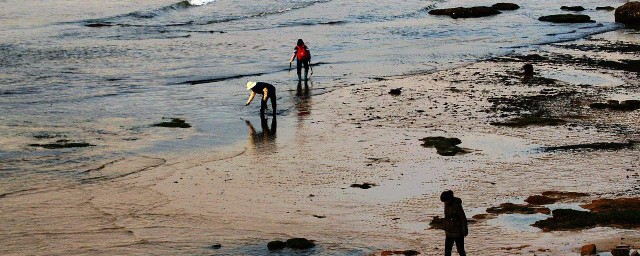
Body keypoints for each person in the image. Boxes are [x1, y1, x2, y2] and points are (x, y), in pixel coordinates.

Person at [440, 190, 468, 256]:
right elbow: (447, 218)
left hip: (458, 232)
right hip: (449, 232)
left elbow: (463, 218)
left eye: (445, 201)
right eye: (444, 202)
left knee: (460, 250)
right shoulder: (446, 204)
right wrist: (445, 227)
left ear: (450, 199)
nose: (445, 203)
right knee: (447, 250)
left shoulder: (457, 205)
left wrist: (465, 230)